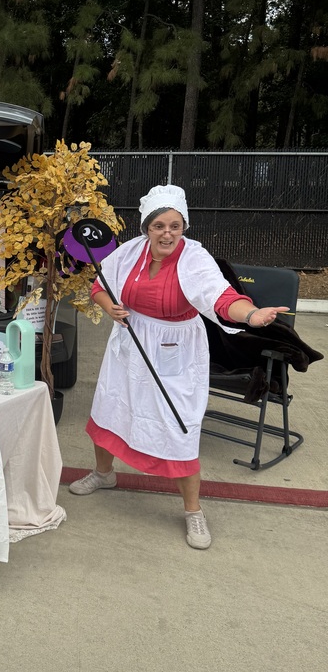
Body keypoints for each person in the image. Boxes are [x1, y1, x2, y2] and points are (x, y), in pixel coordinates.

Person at [68, 184, 289, 550]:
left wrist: (251, 315)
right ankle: (104, 474)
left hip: (175, 351)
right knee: (111, 407)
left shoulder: (195, 259)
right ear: (146, 228)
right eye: (159, 226)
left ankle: (193, 511)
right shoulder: (130, 252)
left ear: (184, 226)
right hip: (129, 343)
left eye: (175, 226)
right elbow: (99, 285)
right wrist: (110, 308)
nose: (167, 233)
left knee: (179, 427)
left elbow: (222, 298)